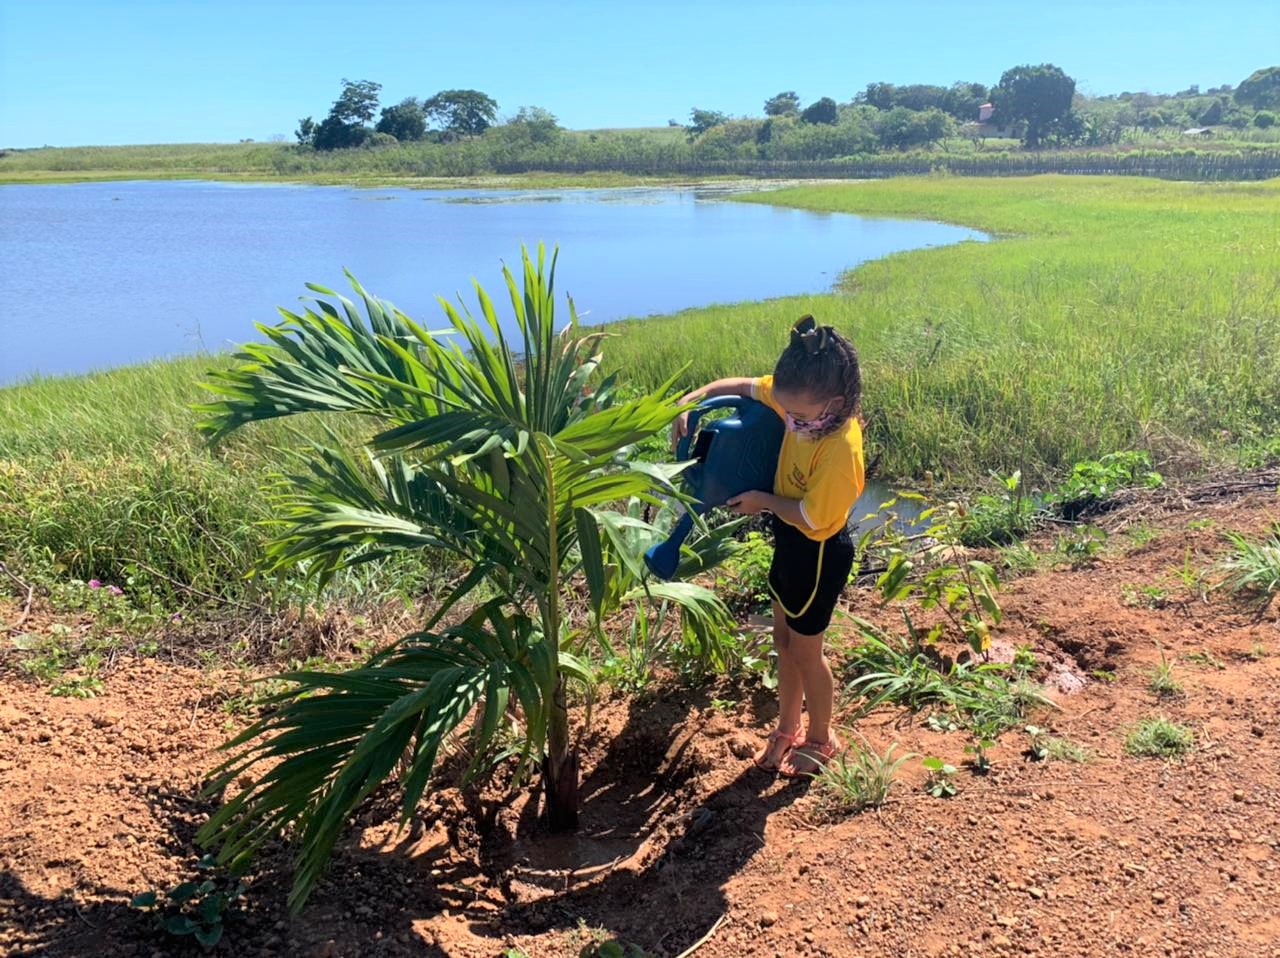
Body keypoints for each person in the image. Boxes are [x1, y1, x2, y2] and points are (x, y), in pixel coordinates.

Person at [672, 316, 865, 776]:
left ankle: (820, 738)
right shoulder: (800, 401)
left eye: (800, 418)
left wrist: (762, 501)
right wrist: (692, 399)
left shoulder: (841, 449)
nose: (791, 424)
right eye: (786, 413)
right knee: (783, 641)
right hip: (790, 542)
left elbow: (812, 517)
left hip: (818, 552)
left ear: (837, 406)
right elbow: (741, 386)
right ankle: (787, 726)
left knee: (808, 653)